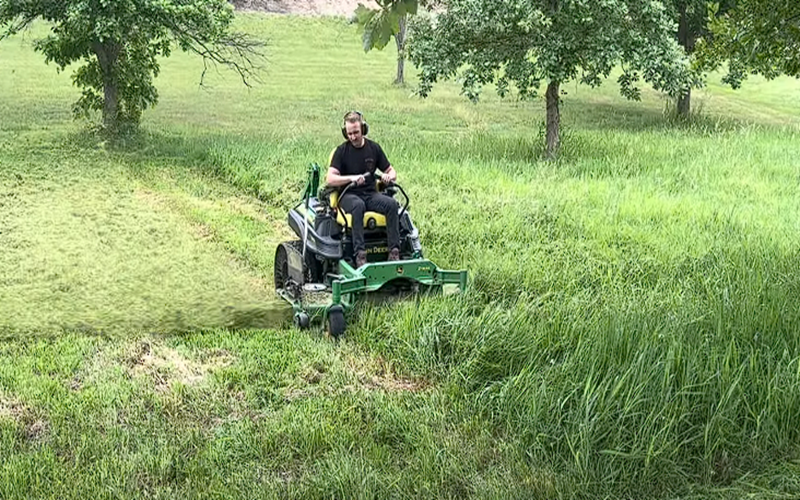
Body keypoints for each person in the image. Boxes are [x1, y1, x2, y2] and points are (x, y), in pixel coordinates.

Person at [326, 111, 400, 268]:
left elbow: (391, 171)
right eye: (349, 133)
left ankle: (394, 252)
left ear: (363, 129)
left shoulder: (374, 148)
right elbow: (330, 178)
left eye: (356, 133)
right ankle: (360, 254)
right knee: (358, 206)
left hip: (370, 194)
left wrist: (389, 177)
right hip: (348, 195)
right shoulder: (341, 151)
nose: (352, 137)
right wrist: (351, 178)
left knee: (392, 205)